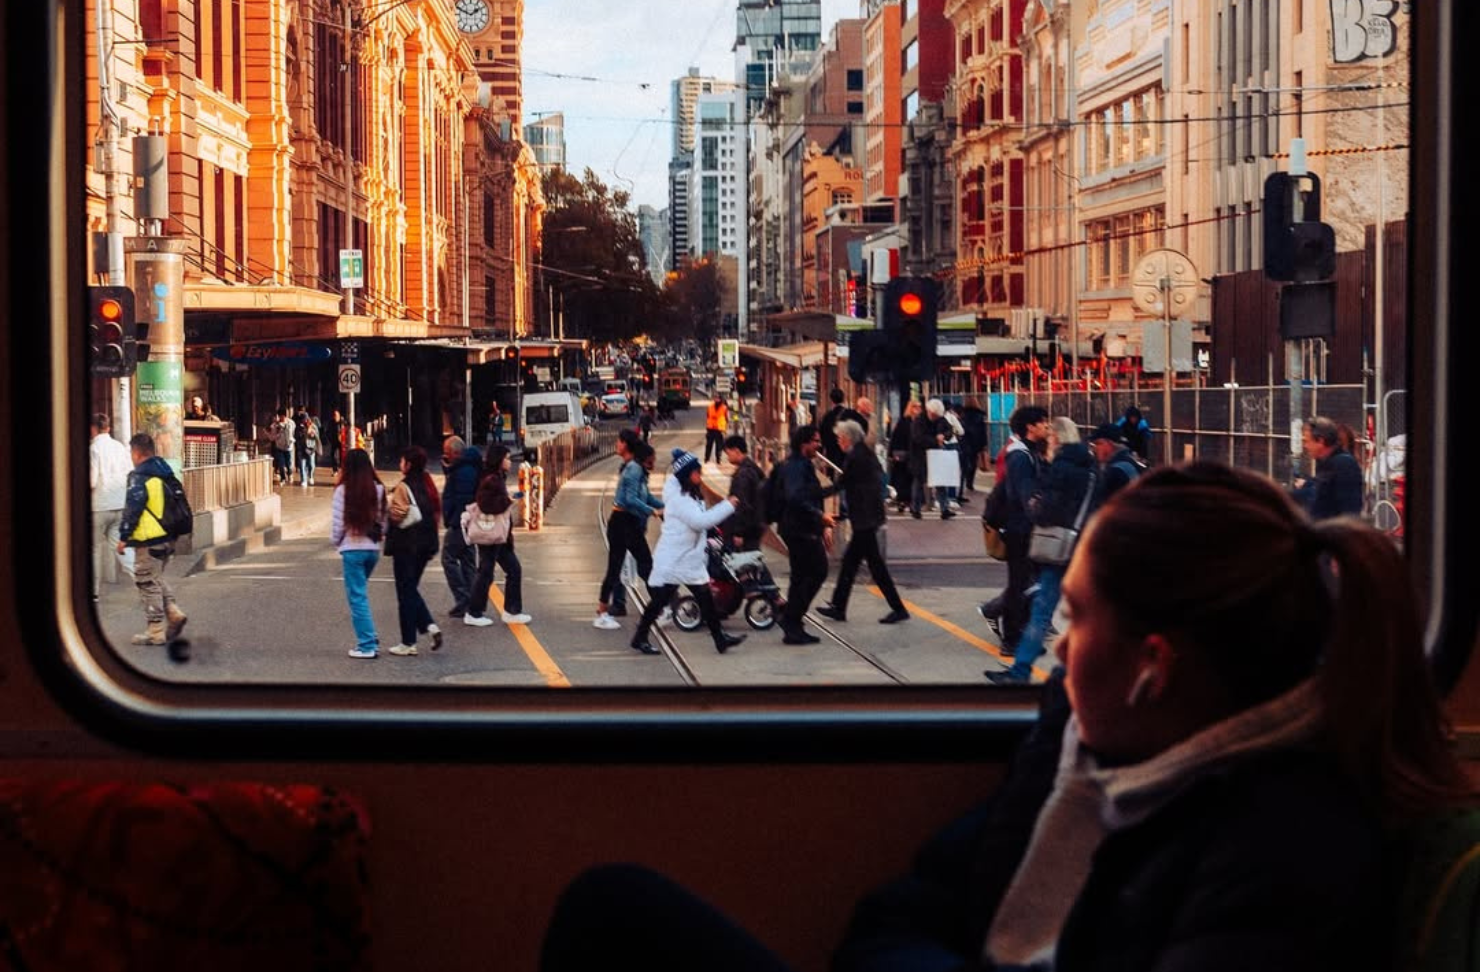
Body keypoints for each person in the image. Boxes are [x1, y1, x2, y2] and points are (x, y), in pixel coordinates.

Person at [540, 461, 1473, 972]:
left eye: (1072, 614)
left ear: (1153, 668)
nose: (1054, 643)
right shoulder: (1076, 747)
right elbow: (898, 913)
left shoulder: (1288, 852)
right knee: (611, 905)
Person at [987, 417, 1095, 685]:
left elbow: (1046, 508)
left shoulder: (1059, 468)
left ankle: (1020, 671)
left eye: (1050, 436)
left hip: (1057, 547)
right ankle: (1087, 671)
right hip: (1083, 546)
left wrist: (1036, 507)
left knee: (1042, 611)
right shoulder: (1091, 467)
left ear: (1056, 439)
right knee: (1084, 612)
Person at [628, 449, 745, 657]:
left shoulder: (687, 493)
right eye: (696, 473)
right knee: (660, 601)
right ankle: (640, 636)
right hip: (675, 559)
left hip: (688, 557)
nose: (700, 477)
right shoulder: (680, 499)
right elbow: (699, 522)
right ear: (686, 475)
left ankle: (720, 639)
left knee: (705, 598)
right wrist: (728, 506)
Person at [815, 420, 909, 625]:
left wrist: (816, 493)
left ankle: (898, 608)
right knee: (853, 564)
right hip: (867, 517)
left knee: (873, 567)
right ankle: (839, 606)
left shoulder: (857, 456)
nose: (838, 441)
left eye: (840, 438)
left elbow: (842, 483)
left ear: (848, 438)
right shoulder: (862, 453)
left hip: (865, 519)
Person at [114, 433, 189, 646]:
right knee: (155, 577)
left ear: (136, 452)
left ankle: (155, 630)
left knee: (146, 581)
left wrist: (124, 536)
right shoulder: (164, 471)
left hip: (149, 537)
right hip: (169, 535)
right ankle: (173, 612)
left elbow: (133, 508)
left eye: (131, 452)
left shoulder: (139, 476)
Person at [994, 405, 1050, 653]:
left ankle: (1025, 637)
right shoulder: (1020, 456)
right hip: (1019, 529)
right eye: (1043, 422)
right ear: (1030, 427)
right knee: (1020, 584)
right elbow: (1024, 495)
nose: (1047, 426)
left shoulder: (1029, 453)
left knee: (1027, 583)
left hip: (1023, 527)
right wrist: (1040, 514)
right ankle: (1011, 638)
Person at [594, 434, 664, 630]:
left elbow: (646, 496)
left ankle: (659, 606)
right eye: (652, 458)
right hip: (623, 522)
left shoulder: (637, 469)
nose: (654, 462)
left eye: (619, 441)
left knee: (639, 565)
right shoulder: (634, 469)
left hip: (627, 522)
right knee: (630, 566)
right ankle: (659, 607)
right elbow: (631, 499)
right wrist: (654, 512)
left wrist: (666, 506)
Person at [776, 425, 835, 645]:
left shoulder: (802, 465)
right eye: (816, 441)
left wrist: (822, 525)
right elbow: (797, 498)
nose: (819, 445)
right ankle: (792, 618)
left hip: (801, 528)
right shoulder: (796, 467)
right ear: (804, 444)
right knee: (817, 571)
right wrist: (820, 517)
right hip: (799, 529)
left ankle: (792, 622)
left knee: (800, 576)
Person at [383, 445, 442, 656]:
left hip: (406, 546)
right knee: (411, 589)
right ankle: (428, 626)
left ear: (408, 464)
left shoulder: (403, 486)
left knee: (405, 592)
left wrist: (389, 513)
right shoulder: (428, 483)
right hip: (426, 544)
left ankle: (409, 642)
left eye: (402, 461)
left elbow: (398, 514)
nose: (400, 464)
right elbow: (435, 510)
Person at [463, 444, 532, 627]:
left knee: (508, 569)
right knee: (488, 572)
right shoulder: (491, 479)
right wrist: (509, 500)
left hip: (498, 535)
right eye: (507, 458)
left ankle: (509, 611)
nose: (510, 462)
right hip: (492, 534)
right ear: (499, 460)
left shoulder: (494, 477)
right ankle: (475, 612)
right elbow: (486, 504)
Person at [332, 448, 387, 659]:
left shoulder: (342, 491)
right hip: (372, 550)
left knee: (357, 597)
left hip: (352, 549)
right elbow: (384, 524)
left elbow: (337, 525)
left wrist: (337, 543)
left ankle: (366, 645)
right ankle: (370, 636)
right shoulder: (379, 489)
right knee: (360, 594)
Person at [89, 412, 133, 600]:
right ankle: (142, 581)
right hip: (119, 503)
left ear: (94, 428)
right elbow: (131, 473)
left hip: (99, 505)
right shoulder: (120, 447)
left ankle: (93, 592)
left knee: (94, 549)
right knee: (121, 547)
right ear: (108, 428)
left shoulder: (94, 449)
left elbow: (91, 480)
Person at [439, 435, 483, 619]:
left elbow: (462, 497)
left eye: (447, 453)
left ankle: (463, 598)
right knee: (467, 561)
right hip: (468, 521)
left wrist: (453, 519)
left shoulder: (464, 471)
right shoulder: (466, 466)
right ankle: (473, 603)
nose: (445, 455)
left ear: (456, 453)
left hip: (461, 521)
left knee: (448, 558)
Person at [1292, 415, 1365, 520]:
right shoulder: (1326, 464)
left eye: (1307, 441)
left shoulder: (1344, 463)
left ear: (1320, 441)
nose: (1305, 446)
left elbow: (1350, 508)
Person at [721, 435, 765, 552]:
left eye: (728, 453)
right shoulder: (753, 468)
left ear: (736, 450)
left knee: (745, 562)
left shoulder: (743, 475)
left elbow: (741, 504)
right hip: (755, 526)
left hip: (747, 531)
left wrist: (738, 532)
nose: (727, 457)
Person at [1087, 422, 1145, 504]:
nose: (1095, 448)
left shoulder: (1116, 471)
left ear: (1110, 444)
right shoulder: (1131, 463)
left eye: (1098, 443)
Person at [887, 402, 916, 514]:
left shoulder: (918, 422)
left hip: (912, 456)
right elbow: (895, 438)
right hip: (903, 457)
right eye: (915, 407)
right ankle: (903, 501)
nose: (918, 410)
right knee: (903, 479)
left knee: (910, 479)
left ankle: (908, 501)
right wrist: (891, 454)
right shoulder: (904, 422)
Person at [959, 395, 988, 495]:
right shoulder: (979, 415)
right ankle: (970, 482)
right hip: (976, 442)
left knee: (965, 462)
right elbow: (983, 431)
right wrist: (984, 444)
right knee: (973, 461)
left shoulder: (962, 414)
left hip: (965, 441)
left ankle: (965, 480)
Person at [816, 387, 849, 473]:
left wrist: (821, 450)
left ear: (831, 400)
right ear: (843, 399)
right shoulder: (850, 414)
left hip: (831, 451)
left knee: (831, 472)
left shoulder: (828, 416)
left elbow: (822, 434)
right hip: (847, 452)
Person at [269, 407, 294, 486]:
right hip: (279, 447)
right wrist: (277, 431)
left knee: (288, 463)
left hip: (288, 447)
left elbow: (291, 432)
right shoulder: (275, 425)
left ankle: (290, 474)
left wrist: (284, 427)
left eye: (282, 416)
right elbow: (272, 437)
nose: (281, 418)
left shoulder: (290, 423)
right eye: (280, 416)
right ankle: (283, 478)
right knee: (281, 463)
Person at [295, 406, 319, 487]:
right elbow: (297, 436)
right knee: (302, 464)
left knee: (311, 464)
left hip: (311, 448)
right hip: (301, 448)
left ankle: (311, 475)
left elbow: (317, 436)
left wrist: (311, 431)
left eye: (306, 419)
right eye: (304, 419)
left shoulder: (313, 426)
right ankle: (303, 480)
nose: (305, 421)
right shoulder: (298, 428)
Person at [704, 396, 730, 464]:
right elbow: (708, 416)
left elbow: (727, 419)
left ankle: (718, 459)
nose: (716, 400)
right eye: (715, 398)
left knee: (719, 446)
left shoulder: (724, 408)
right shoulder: (710, 407)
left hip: (719, 430)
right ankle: (707, 459)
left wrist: (725, 429)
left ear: (721, 400)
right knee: (709, 445)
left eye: (718, 399)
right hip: (711, 429)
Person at [323, 408, 342, 474]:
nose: (335, 417)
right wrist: (330, 439)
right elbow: (327, 432)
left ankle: (342, 469)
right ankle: (335, 470)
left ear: (339, 416)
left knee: (342, 456)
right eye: (334, 415)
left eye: (336, 415)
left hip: (342, 441)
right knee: (333, 455)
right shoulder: (331, 422)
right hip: (334, 441)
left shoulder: (342, 422)